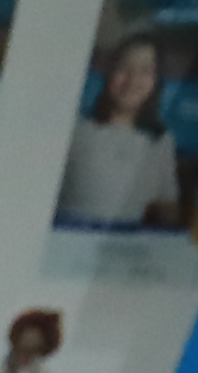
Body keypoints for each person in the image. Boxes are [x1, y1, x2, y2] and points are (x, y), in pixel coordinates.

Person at [56, 32, 178, 233]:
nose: (132, 79)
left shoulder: (161, 140)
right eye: (124, 68)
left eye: (145, 70)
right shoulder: (75, 128)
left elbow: (167, 208)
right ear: (108, 73)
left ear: (156, 81)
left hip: (122, 248)